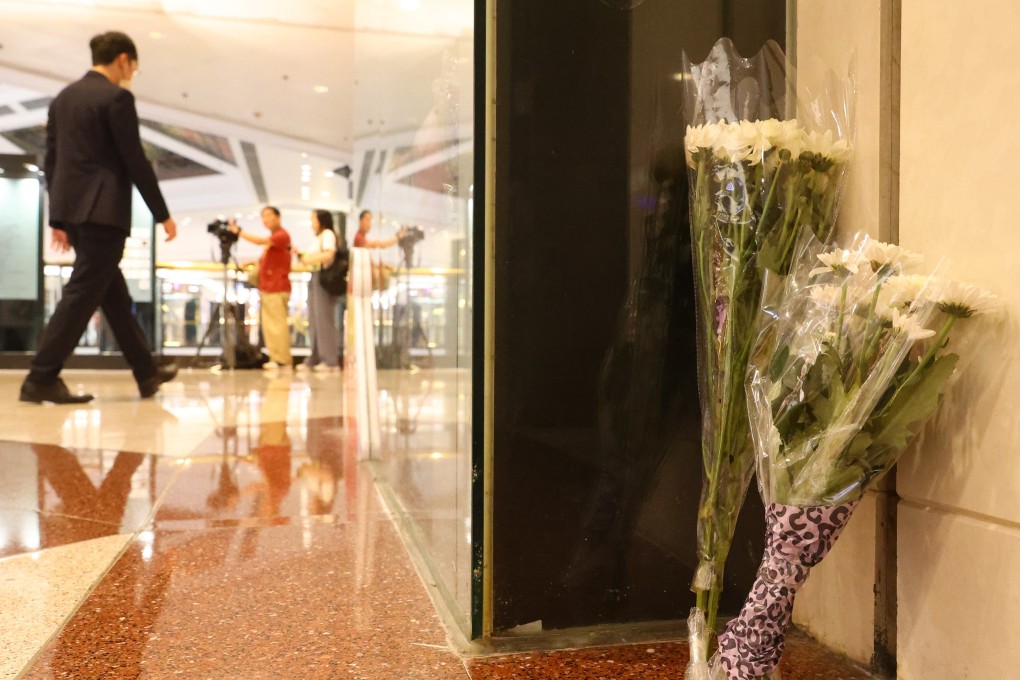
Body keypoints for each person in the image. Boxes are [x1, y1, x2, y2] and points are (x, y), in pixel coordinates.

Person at [20, 31, 178, 405]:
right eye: (133, 67)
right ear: (123, 59)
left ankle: (146, 372)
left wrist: (57, 218)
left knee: (113, 295)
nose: (131, 75)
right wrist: (162, 213)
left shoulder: (64, 98)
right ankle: (40, 377)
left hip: (75, 211)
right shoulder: (117, 97)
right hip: (104, 211)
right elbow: (133, 158)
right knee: (81, 294)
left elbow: (52, 161)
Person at [229, 206, 292, 370]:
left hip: (276, 287)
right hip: (270, 287)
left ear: (278, 217)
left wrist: (239, 231)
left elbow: (258, 241)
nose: (266, 219)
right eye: (263, 216)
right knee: (271, 324)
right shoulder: (275, 238)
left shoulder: (281, 235)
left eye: (269, 215)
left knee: (276, 324)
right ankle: (277, 357)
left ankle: (281, 358)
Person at [296, 209, 343, 372]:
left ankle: (330, 360)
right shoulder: (319, 238)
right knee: (315, 319)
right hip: (315, 277)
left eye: (313, 220)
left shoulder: (328, 234)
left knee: (324, 319)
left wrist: (308, 258)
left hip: (324, 279)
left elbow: (329, 255)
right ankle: (315, 356)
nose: (311, 224)